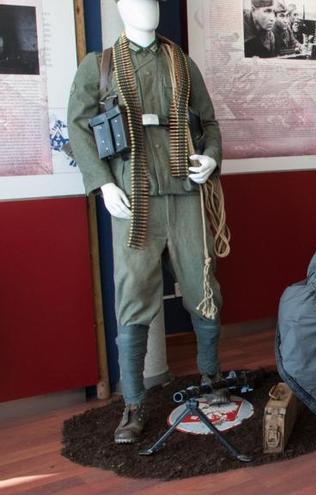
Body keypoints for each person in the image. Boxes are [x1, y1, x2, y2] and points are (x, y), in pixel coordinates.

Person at [67, 0, 225, 444]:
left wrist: (210, 158)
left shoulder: (180, 61)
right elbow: (78, 128)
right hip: (132, 200)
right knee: (133, 295)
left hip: (185, 194)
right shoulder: (98, 66)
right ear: (119, 8)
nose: (148, 7)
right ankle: (134, 403)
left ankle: (211, 379)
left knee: (203, 287)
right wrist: (101, 183)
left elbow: (208, 123)